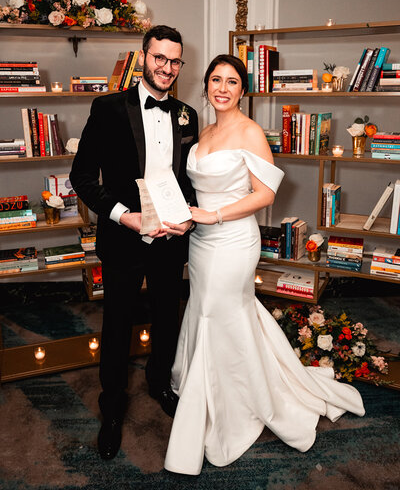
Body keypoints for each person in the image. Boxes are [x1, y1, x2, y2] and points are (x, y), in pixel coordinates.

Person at [164, 54, 365, 475]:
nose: (222, 88)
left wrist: (214, 215)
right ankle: (227, 388)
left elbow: (265, 195)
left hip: (233, 240)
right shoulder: (204, 132)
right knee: (211, 312)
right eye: (215, 80)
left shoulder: (250, 132)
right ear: (206, 86)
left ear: (243, 90)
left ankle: (228, 405)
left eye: (232, 82)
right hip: (201, 242)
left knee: (217, 311)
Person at [69, 25, 198, 461]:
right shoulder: (106, 109)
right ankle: (112, 405)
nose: (167, 67)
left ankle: (160, 382)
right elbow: (81, 177)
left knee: (168, 315)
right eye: (159, 58)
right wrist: (125, 216)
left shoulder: (187, 115)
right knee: (118, 323)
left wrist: (188, 220)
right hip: (124, 237)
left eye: (175, 60)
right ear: (143, 56)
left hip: (170, 240)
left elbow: (188, 183)